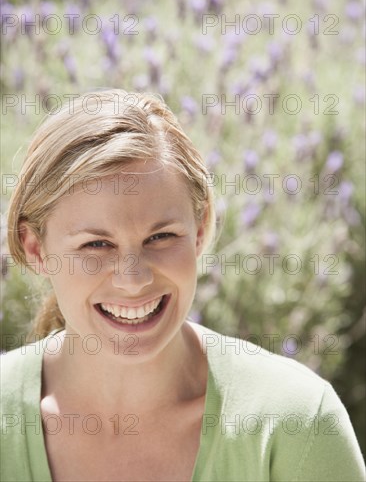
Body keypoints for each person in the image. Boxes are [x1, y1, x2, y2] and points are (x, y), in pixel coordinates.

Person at [1, 89, 365, 482]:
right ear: (36, 249)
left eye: (160, 237)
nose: (134, 278)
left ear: (200, 228)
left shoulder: (295, 424)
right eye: (97, 245)